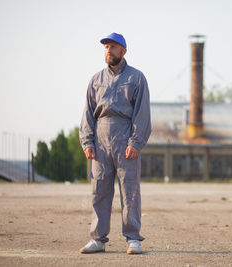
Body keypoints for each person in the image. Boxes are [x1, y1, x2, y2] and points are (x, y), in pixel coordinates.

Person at [79, 32, 151, 254]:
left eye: (113, 47)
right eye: (106, 47)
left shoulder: (136, 78)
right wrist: (87, 141)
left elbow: (142, 114)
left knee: (129, 190)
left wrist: (135, 142)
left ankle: (132, 238)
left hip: (125, 135)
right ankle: (98, 239)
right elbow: (88, 113)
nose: (108, 50)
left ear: (123, 51)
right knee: (99, 189)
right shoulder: (96, 80)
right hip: (100, 138)